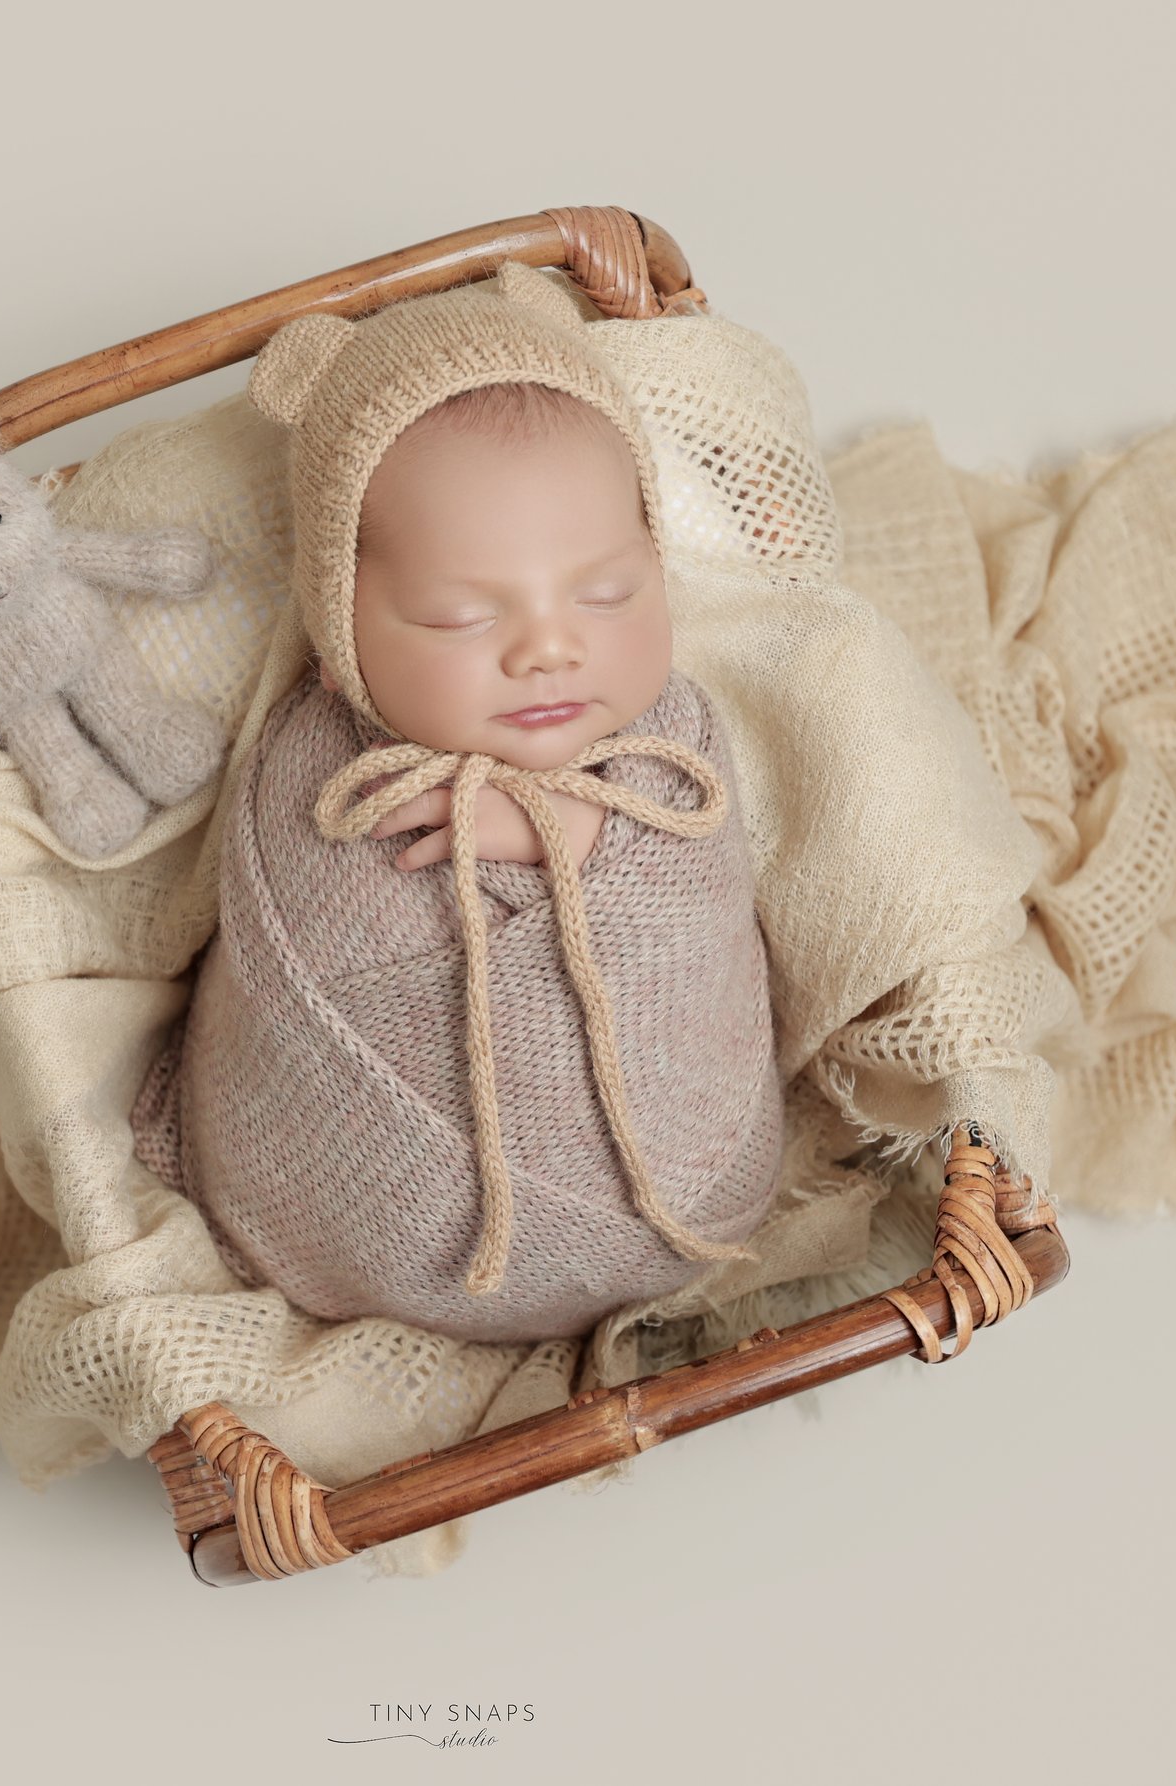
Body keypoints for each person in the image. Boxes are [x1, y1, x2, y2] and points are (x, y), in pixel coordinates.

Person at [129, 265, 783, 1344]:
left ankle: (622, 1251)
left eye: (607, 593)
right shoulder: (315, 778)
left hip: (685, 1207)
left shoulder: (678, 742)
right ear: (341, 638)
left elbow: (699, 889)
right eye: (453, 617)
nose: (548, 647)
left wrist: (568, 832)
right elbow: (286, 965)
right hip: (359, 1234)